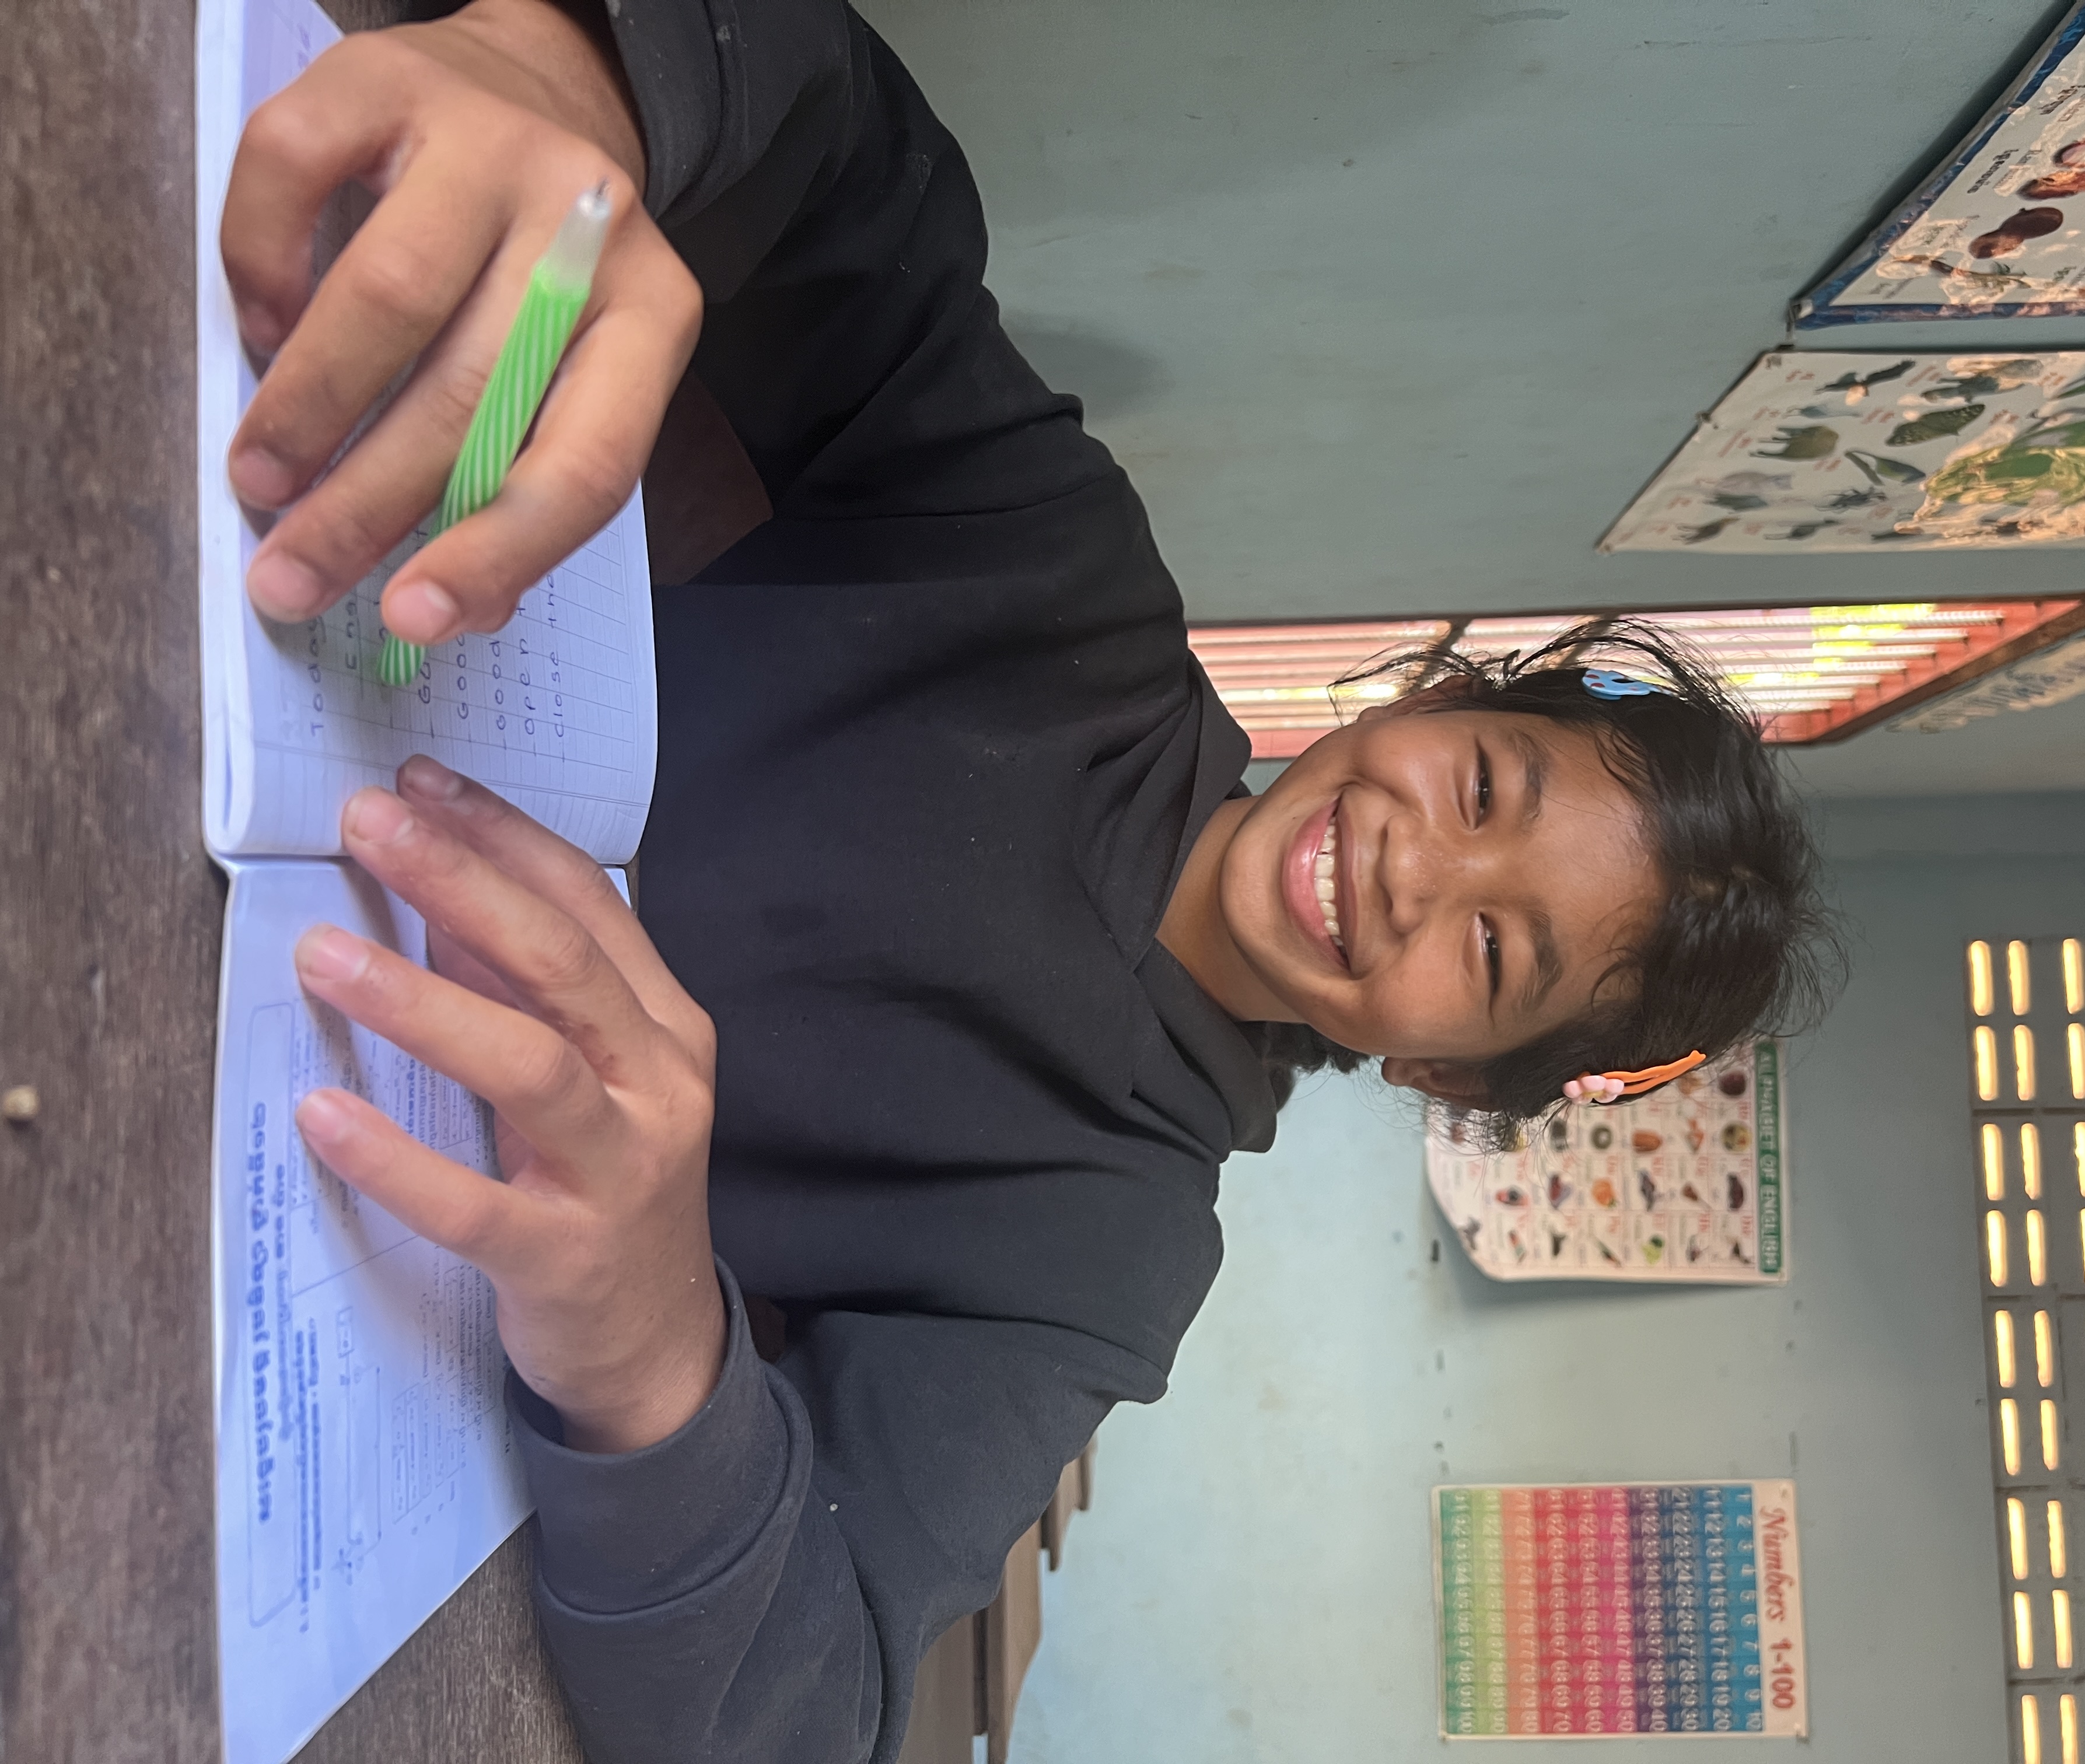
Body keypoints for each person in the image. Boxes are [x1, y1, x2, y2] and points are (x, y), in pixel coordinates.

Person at [222, 2, 1837, 1759]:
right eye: (1481, 787)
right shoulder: (1066, 596)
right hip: (292, 644)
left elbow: (806, 1695)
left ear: (1446, 1074)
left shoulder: (1110, 1240)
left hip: (300, 1190)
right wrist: (588, 92)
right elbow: (865, 185)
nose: (1409, 866)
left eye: (1495, 952)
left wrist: (645, 1342)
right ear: (1430, 698)